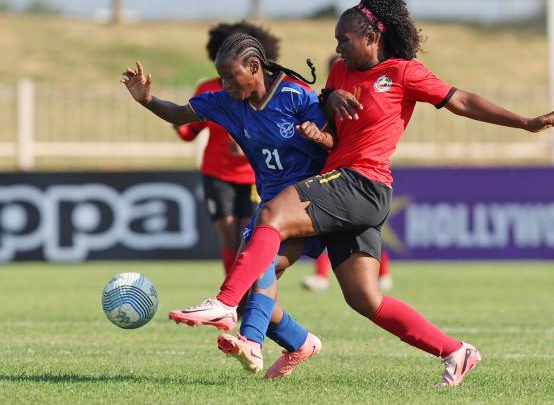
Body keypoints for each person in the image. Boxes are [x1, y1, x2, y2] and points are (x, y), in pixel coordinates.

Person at [176, 0, 554, 387]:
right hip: (339, 188)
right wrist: (326, 116)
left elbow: (463, 101)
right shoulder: (338, 72)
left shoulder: (403, 72)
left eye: (344, 39)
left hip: (362, 182)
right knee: (362, 298)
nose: (337, 46)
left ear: (371, 37)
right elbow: (329, 118)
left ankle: (228, 309)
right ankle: (456, 351)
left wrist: (525, 123)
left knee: (273, 213)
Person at [120, 33, 330, 377]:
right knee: (256, 280)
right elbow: (180, 113)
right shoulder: (226, 102)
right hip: (272, 203)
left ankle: (250, 339)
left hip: (311, 202)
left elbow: (336, 141)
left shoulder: (296, 96)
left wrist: (319, 136)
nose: (225, 84)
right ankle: (300, 341)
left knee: (260, 269)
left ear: (254, 67)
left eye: (231, 76)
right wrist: (147, 100)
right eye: (222, 77)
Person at [175, 22, 280, 275]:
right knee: (230, 241)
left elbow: (279, 131)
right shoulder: (209, 89)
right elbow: (190, 132)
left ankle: (248, 299)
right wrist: (176, 122)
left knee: (249, 240)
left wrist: (250, 144)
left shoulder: (265, 90)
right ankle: (232, 302)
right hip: (217, 173)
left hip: (254, 175)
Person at [301, 53, 393, 293]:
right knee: (331, 225)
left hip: (364, 173)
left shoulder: (369, 95)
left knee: (365, 224)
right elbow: (332, 136)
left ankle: (383, 272)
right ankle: (322, 275)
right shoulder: (328, 101)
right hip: (337, 169)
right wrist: (319, 135)